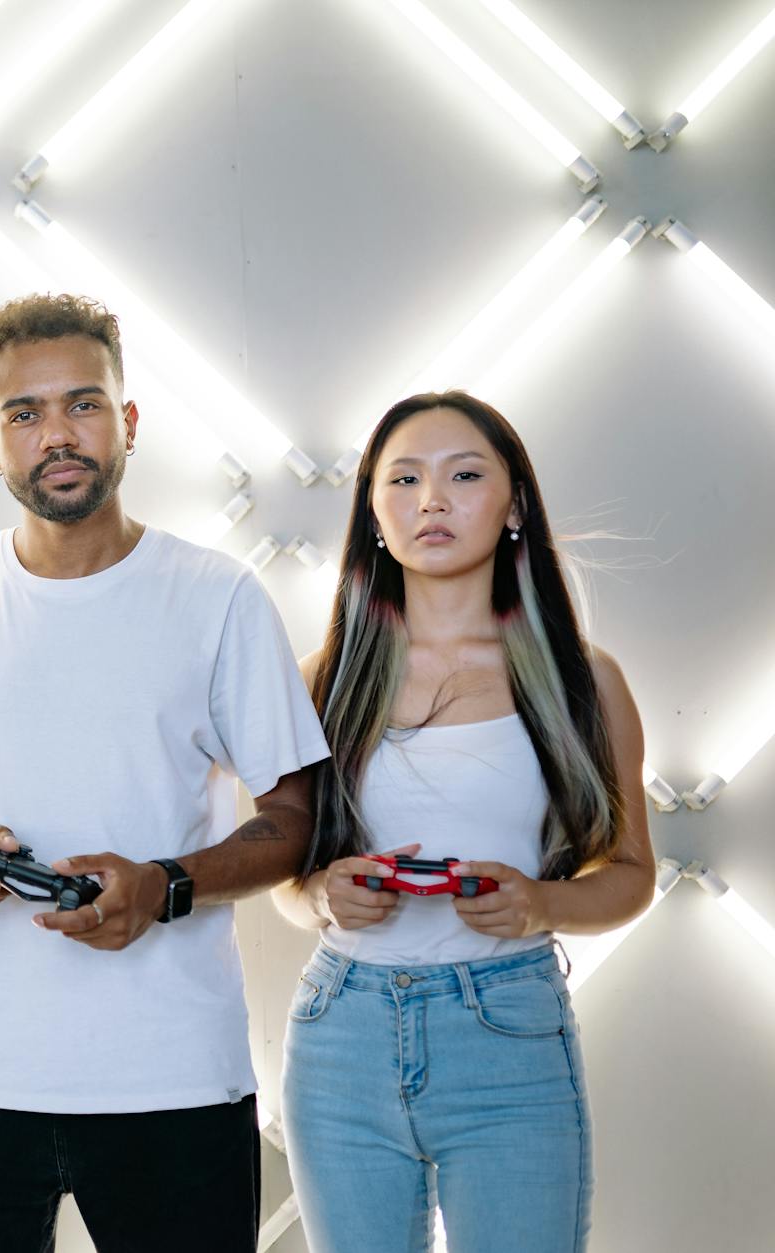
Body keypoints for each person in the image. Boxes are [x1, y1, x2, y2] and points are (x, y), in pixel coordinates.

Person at [0, 293, 330, 1252]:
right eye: (25, 413)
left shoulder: (217, 597)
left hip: (174, 1075)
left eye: (82, 404)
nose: (57, 434)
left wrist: (164, 885)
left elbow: (297, 817)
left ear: (127, 422)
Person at [273, 390, 655, 1253]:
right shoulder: (322, 679)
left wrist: (542, 905)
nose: (431, 499)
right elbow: (291, 886)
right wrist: (327, 897)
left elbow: (633, 872)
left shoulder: (582, 681)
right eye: (402, 479)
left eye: (464, 475)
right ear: (373, 512)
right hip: (342, 1034)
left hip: (509, 1032)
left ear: (514, 503)